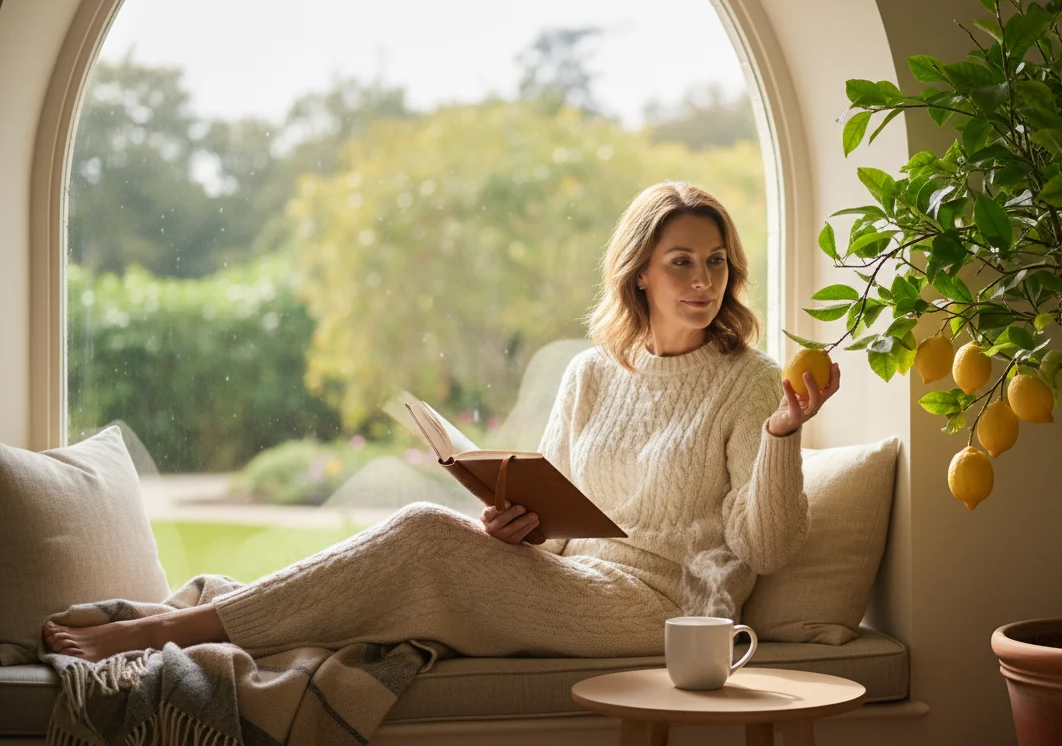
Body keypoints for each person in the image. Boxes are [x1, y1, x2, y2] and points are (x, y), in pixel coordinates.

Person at [43, 181, 840, 662]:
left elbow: (767, 547)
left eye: (716, 261)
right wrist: (518, 524)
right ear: (639, 273)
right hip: (577, 580)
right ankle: (214, 617)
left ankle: (170, 633)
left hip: (662, 610)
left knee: (423, 532)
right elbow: (562, 524)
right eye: (682, 261)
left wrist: (783, 434)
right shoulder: (594, 373)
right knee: (430, 542)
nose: (704, 279)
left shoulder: (751, 382)